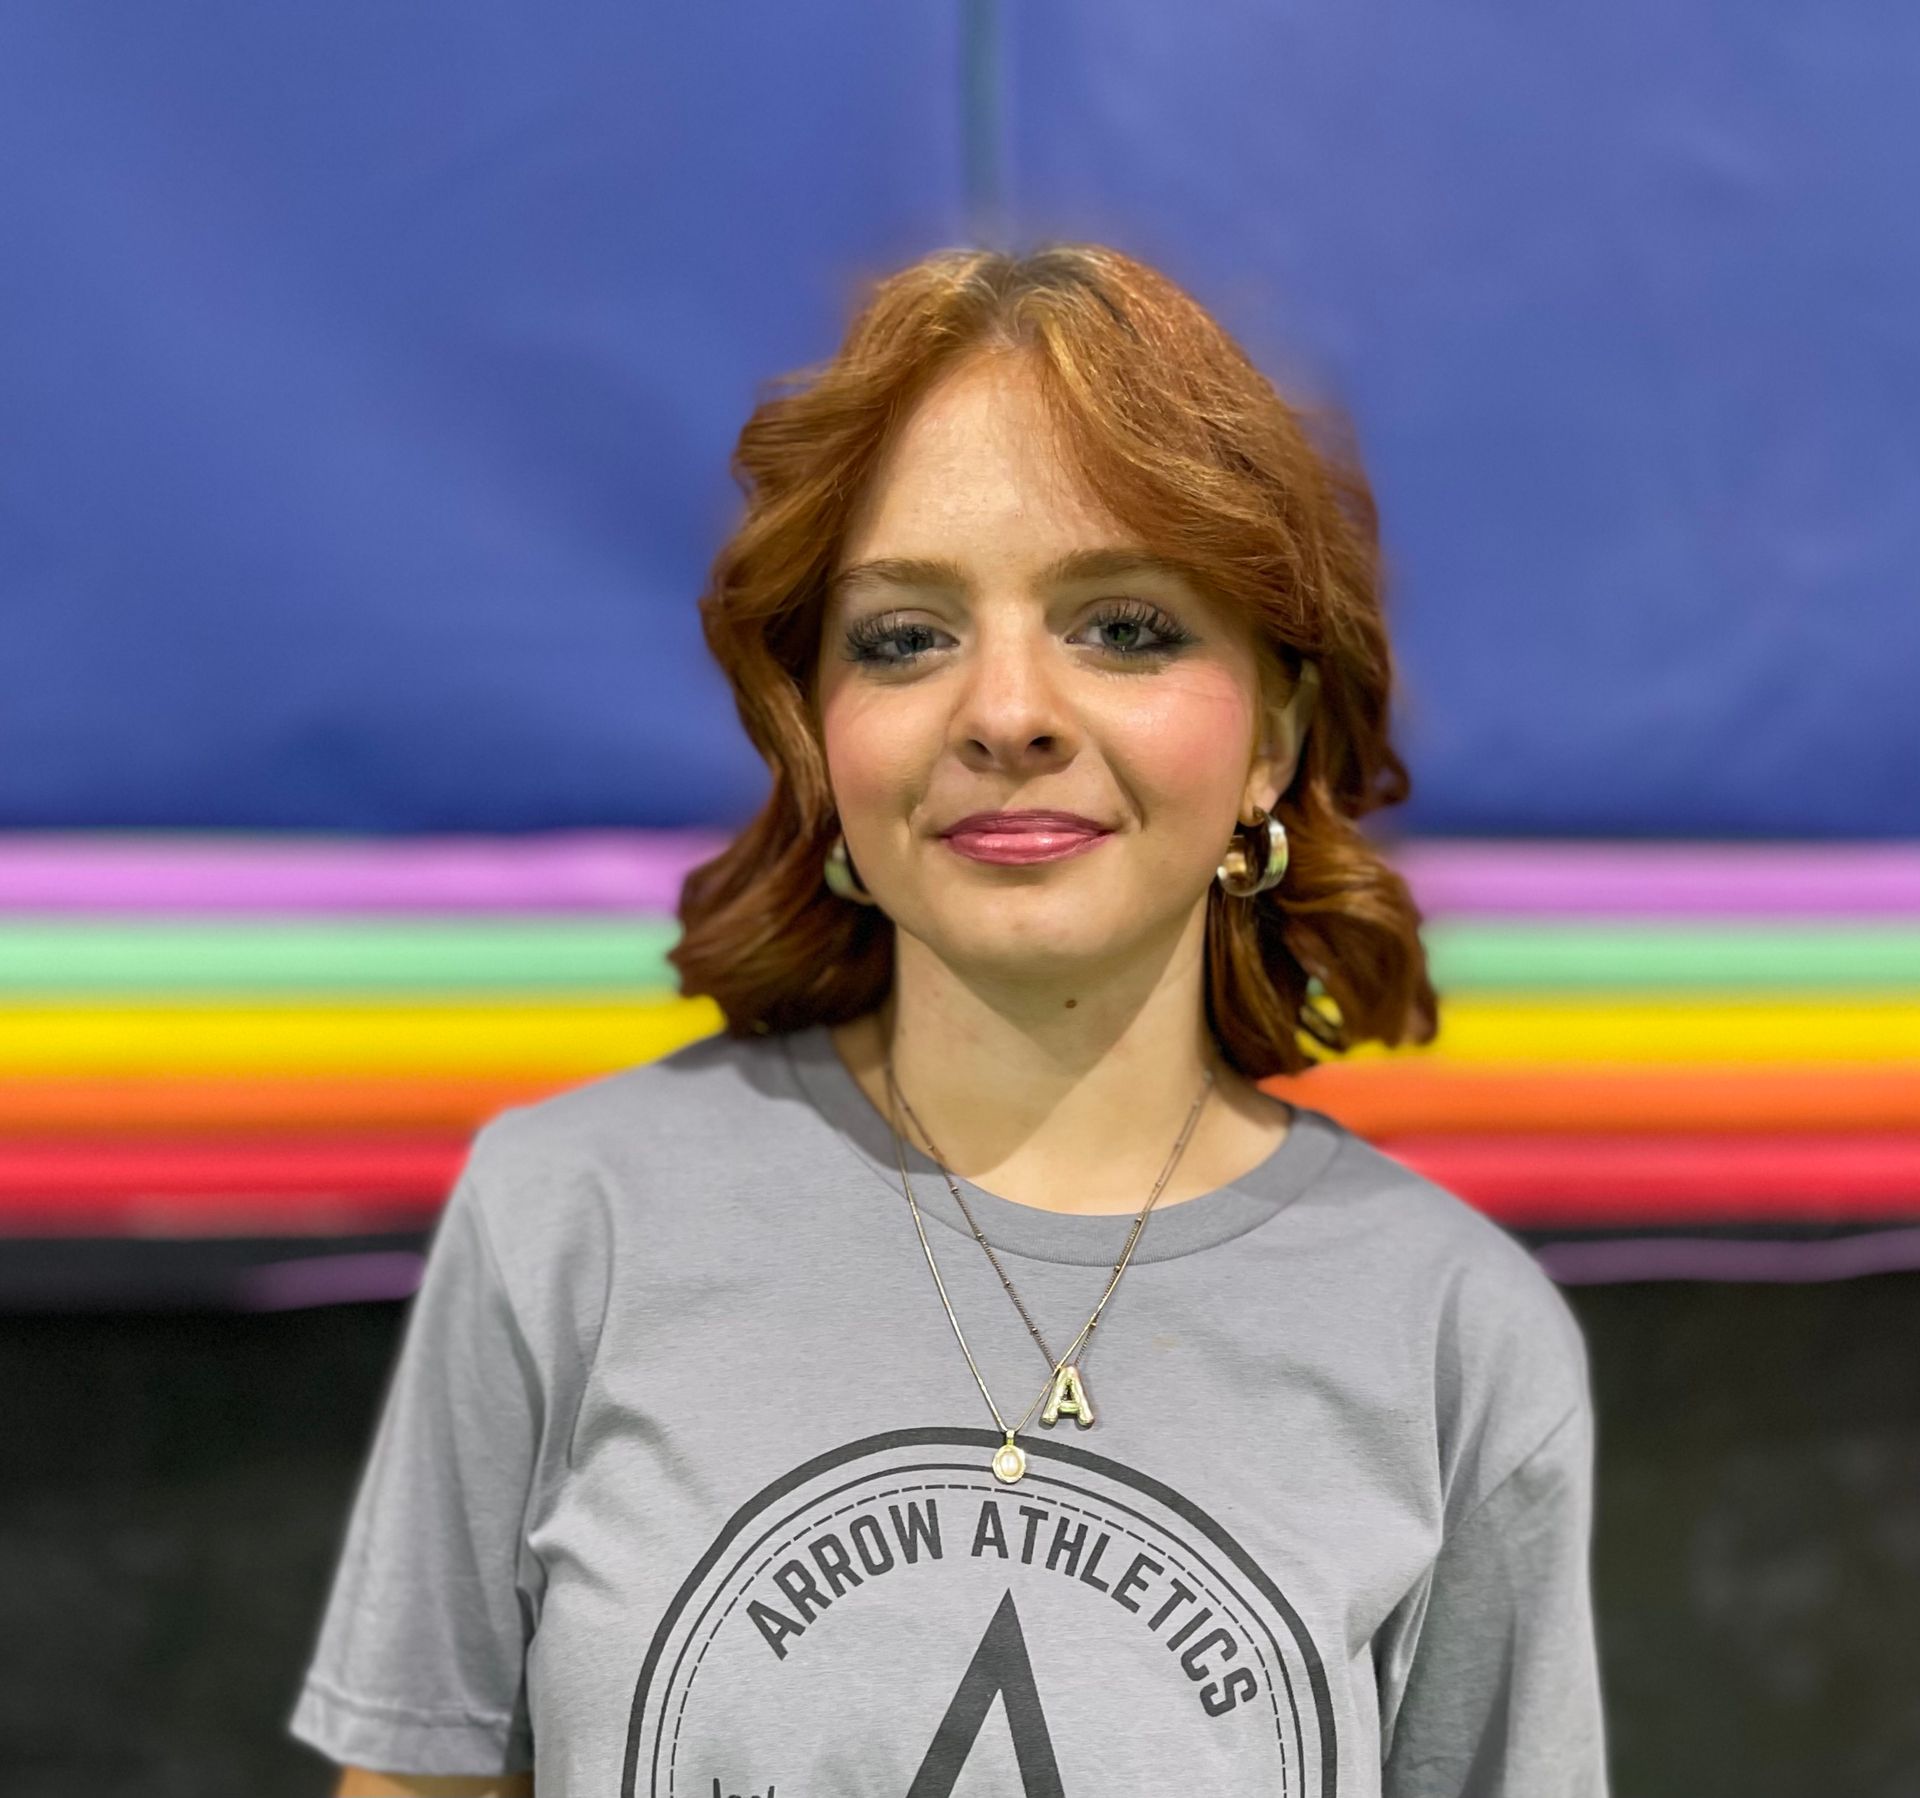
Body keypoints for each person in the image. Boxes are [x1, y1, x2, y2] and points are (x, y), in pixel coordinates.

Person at [291, 242, 1608, 1796]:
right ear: (819, 736)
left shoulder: (1459, 1338)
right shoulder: (565, 1218)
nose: (1007, 711)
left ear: (1277, 733)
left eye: (1124, 624)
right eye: (907, 635)